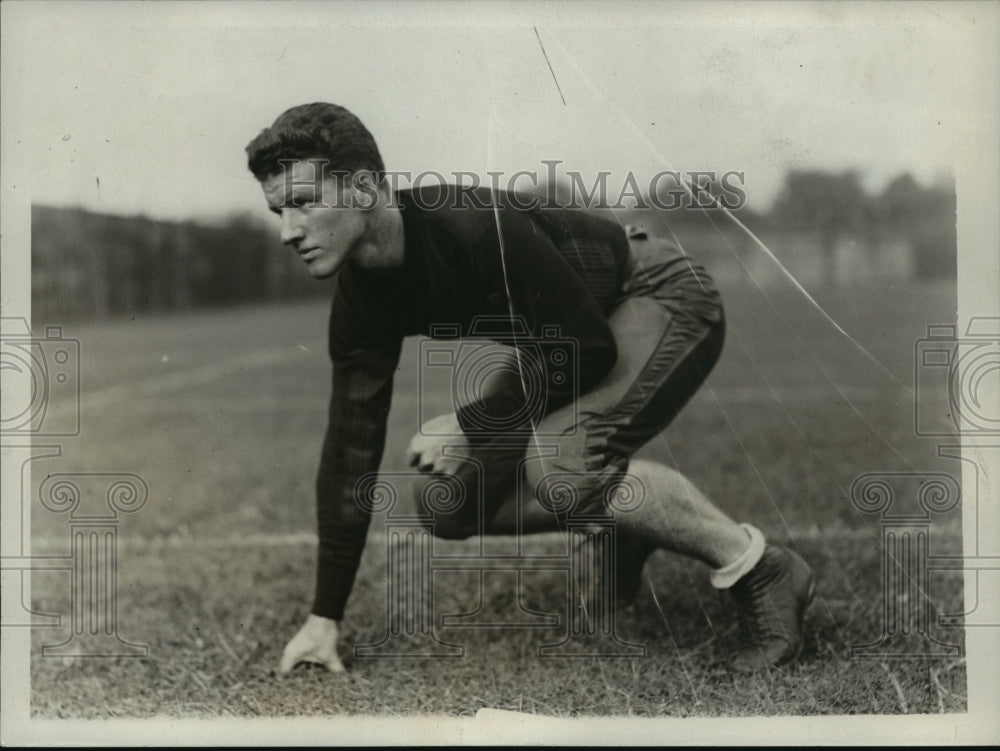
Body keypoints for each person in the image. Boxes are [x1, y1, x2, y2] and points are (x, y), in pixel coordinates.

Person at [244, 102, 815, 676]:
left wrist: (471, 423)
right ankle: (623, 525)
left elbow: (590, 348)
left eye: (303, 202)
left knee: (561, 466)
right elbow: (350, 449)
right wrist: (325, 618)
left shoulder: (468, 225)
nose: (289, 231)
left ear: (364, 187)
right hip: (569, 334)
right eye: (278, 212)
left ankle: (758, 566)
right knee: (448, 506)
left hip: (650, 289)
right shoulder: (360, 301)